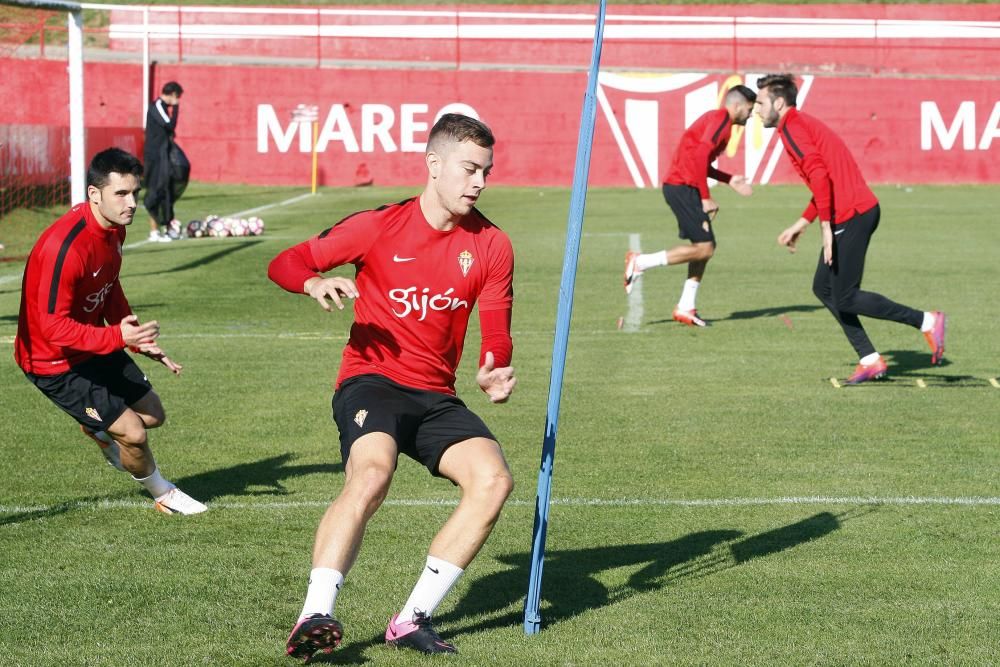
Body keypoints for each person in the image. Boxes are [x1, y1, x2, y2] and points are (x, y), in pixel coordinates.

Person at [268, 113, 516, 660]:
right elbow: (285, 262)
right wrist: (312, 281)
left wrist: (495, 366)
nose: (478, 182)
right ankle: (317, 612)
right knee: (373, 473)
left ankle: (410, 619)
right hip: (371, 381)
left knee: (493, 480)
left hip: (437, 395)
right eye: (469, 169)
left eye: (486, 172)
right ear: (434, 164)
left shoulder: (493, 245)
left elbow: (496, 330)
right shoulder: (378, 226)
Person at [14, 147, 206, 514]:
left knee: (153, 415)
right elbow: (51, 328)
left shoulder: (114, 228)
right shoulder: (64, 248)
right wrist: (118, 338)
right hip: (53, 361)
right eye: (121, 193)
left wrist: (139, 339)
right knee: (134, 434)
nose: (131, 202)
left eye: (135, 192)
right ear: (94, 194)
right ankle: (163, 494)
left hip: (91, 343)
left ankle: (97, 429)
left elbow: (109, 285)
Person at [754, 74, 947, 384]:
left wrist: (826, 229)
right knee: (824, 288)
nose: (757, 110)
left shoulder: (793, 127)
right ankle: (870, 359)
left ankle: (927, 321)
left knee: (845, 296)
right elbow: (825, 179)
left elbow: (819, 175)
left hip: (853, 214)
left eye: (761, 103)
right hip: (851, 213)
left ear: (779, 102)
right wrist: (803, 222)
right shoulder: (796, 125)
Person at [623, 85, 757, 327]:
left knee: (704, 247)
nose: (751, 115)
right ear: (737, 106)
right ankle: (640, 262)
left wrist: (729, 180)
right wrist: (705, 197)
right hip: (682, 186)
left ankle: (686, 306)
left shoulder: (719, 121)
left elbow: (700, 160)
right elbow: (698, 156)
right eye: (749, 109)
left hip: (686, 186)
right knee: (705, 248)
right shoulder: (721, 119)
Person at [144, 81, 183, 243]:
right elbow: (170, 125)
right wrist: (176, 108)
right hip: (155, 158)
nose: (178, 100)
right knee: (155, 191)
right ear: (172, 94)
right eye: (177, 97)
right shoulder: (157, 106)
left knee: (166, 191)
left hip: (163, 156)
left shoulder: (163, 108)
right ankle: (154, 232)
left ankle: (168, 229)